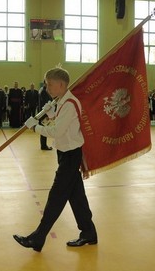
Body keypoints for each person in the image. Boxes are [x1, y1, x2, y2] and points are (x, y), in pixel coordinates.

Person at [13, 66, 97, 252]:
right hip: (66, 154)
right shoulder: (62, 102)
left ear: (61, 84)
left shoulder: (69, 104)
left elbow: (56, 131)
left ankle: (38, 237)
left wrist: (35, 127)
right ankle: (89, 233)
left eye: (49, 84)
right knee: (77, 198)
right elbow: (60, 123)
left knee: (56, 197)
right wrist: (50, 112)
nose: (47, 88)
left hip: (70, 155)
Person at [38, 82, 53, 150]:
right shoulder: (43, 92)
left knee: (45, 129)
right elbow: (46, 103)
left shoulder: (45, 91)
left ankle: (44, 145)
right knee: (44, 130)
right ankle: (43, 146)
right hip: (44, 114)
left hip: (45, 114)